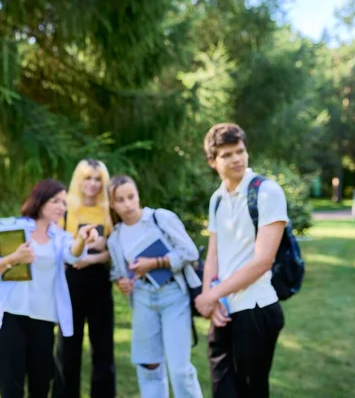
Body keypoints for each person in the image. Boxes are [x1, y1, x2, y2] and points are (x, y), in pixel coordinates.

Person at [0, 179, 99, 398]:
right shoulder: (11, 227)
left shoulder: (61, 237)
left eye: (64, 202)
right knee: (11, 387)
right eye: (55, 201)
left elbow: (74, 254)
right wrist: (14, 258)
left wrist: (82, 238)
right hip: (9, 318)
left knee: (41, 385)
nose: (61, 207)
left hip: (43, 321)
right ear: (40, 200)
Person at [195, 123, 286, 398]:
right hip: (224, 310)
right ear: (212, 161)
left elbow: (262, 261)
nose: (236, 159)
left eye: (240, 151)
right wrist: (210, 297)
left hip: (256, 308)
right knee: (222, 389)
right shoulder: (217, 200)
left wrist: (211, 296)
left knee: (251, 392)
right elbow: (213, 254)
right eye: (226, 154)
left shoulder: (267, 192)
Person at [107, 175, 203, 398]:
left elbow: (190, 252)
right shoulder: (115, 237)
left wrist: (156, 263)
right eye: (120, 200)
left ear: (138, 195)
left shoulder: (161, 218)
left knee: (180, 370)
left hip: (173, 295)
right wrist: (122, 283)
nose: (128, 204)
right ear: (112, 204)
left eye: (131, 196)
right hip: (142, 299)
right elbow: (120, 272)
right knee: (148, 368)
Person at [53, 158, 116, 398]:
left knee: (103, 348)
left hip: (100, 281)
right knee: (68, 345)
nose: (93, 184)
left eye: (98, 179)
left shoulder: (109, 210)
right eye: (87, 178)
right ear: (79, 180)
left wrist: (96, 256)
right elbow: (57, 246)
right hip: (71, 281)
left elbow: (116, 251)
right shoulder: (66, 207)